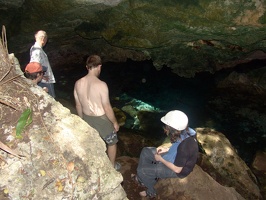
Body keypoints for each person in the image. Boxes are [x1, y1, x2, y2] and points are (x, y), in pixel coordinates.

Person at [132, 110, 198, 198]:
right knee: (146, 151)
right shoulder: (187, 132)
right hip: (175, 156)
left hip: (178, 170)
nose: (165, 128)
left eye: (167, 126)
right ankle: (142, 179)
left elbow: (177, 169)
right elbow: (177, 145)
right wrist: (167, 149)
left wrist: (160, 159)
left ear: (172, 129)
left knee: (142, 171)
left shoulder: (184, 147)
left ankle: (151, 191)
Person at [73, 55, 120, 170]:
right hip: (101, 120)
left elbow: (78, 104)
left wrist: (82, 120)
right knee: (112, 142)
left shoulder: (78, 83)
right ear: (99, 67)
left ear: (87, 67)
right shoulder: (101, 85)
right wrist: (114, 122)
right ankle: (112, 167)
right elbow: (107, 107)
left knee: (92, 142)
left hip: (87, 117)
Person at [30, 30, 56, 98]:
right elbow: (34, 65)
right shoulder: (36, 50)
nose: (44, 39)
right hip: (45, 81)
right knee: (51, 98)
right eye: (43, 37)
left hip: (44, 79)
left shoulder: (37, 49)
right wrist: (42, 76)